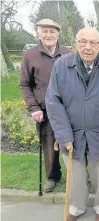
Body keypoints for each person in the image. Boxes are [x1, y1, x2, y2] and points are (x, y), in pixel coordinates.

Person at [45, 27, 99, 221]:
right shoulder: (61, 66)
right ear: (76, 44)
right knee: (76, 176)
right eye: (83, 42)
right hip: (72, 133)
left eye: (93, 43)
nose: (88, 47)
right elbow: (53, 101)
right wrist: (63, 135)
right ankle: (76, 206)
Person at [19, 18, 72, 192]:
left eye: (52, 31)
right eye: (44, 31)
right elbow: (25, 84)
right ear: (38, 34)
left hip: (68, 108)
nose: (48, 35)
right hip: (44, 109)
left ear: (58, 34)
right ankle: (52, 176)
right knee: (49, 145)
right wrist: (34, 108)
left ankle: (77, 174)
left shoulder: (68, 53)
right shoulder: (30, 55)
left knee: (73, 142)